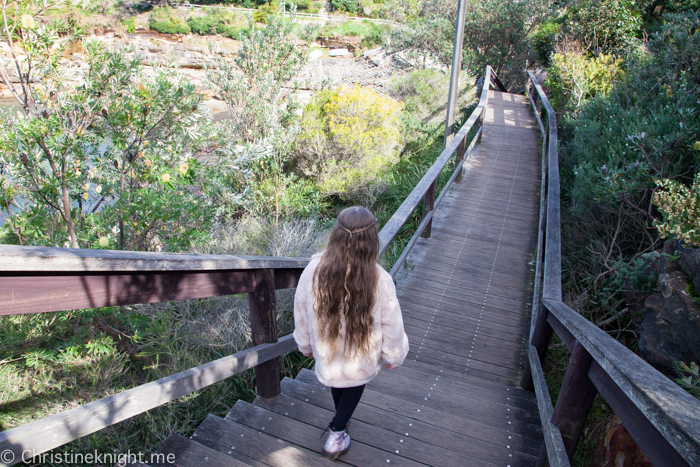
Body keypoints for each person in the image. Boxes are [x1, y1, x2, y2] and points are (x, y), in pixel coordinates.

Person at [293, 206, 409, 460]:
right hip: (361, 352)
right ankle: (336, 432)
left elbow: (300, 308)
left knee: (339, 376)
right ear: (371, 239)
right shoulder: (380, 279)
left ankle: (340, 420)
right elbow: (392, 323)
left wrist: (305, 343)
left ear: (336, 234)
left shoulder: (314, 270)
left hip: (328, 346)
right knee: (355, 381)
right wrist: (393, 355)